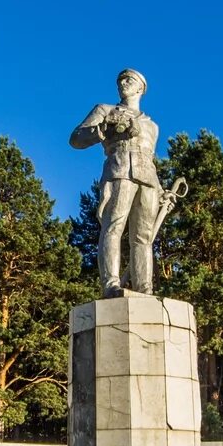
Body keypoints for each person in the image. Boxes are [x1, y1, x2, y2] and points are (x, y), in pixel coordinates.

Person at [70, 68, 162, 296]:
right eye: (121, 79)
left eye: (129, 80)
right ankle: (111, 283)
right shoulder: (105, 110)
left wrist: (161, 189)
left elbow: (151, 157)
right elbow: (76, 139)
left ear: (140, 88)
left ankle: (144, 287)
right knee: (113, 227)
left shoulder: (152, 125)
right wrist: (103, 129)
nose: (123, 82)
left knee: (144, 236)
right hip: (119, 170)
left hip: (148, 178)